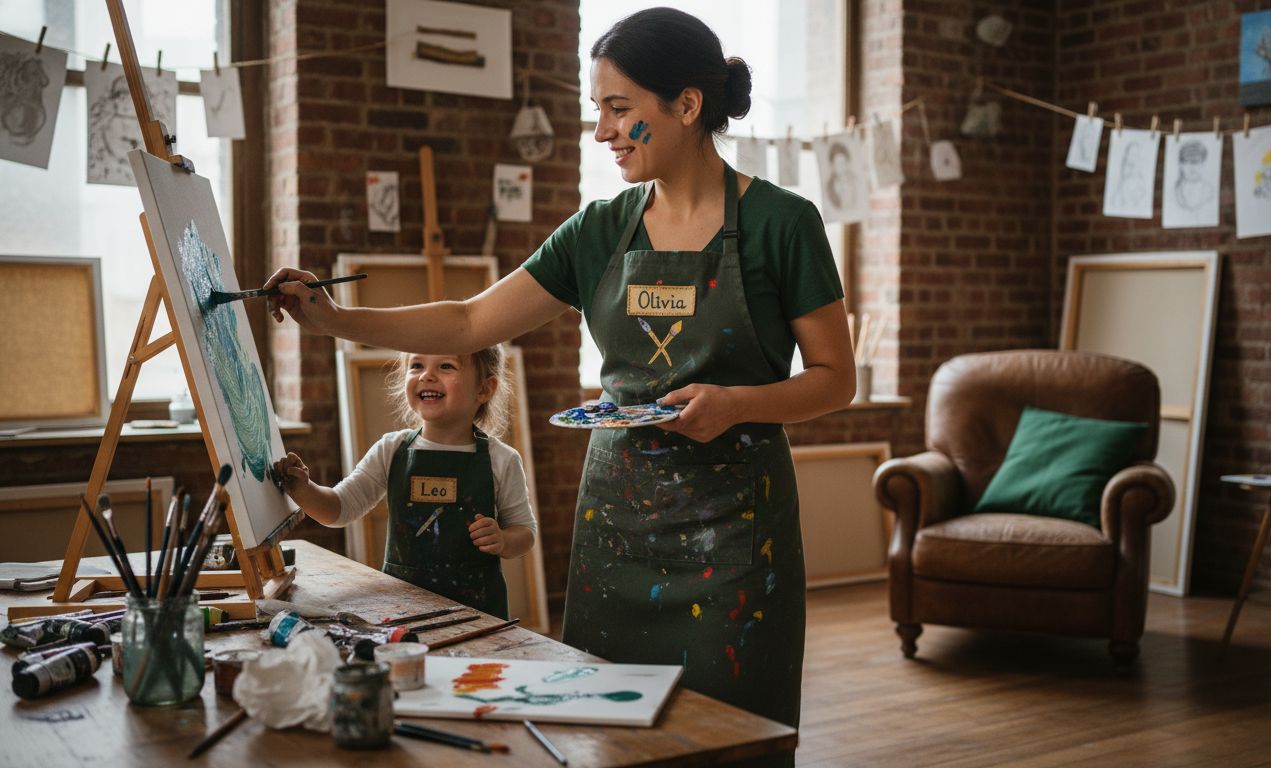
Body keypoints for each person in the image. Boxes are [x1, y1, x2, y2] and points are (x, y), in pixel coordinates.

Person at [263, 6, 855, 747]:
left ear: (687, 105)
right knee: (607, 734)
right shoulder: (598, 230)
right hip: (619, 531)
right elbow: (468, 322)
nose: (602, 131)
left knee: (733, 737)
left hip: (737, 538)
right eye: (597, 112)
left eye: (618, 109)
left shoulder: (782, 224)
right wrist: (334, 320)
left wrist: (736, 404)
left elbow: (835, 380)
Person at [270, 345, 535, 619]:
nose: (426, 376)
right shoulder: (391, 449)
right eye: (417, 365)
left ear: (484, 389)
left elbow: (525, 533)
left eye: (446, 366)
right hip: (402, 608)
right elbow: (339, 508)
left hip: (478, 612)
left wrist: (503, 540)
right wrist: (304, 490)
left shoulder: (501, 459)